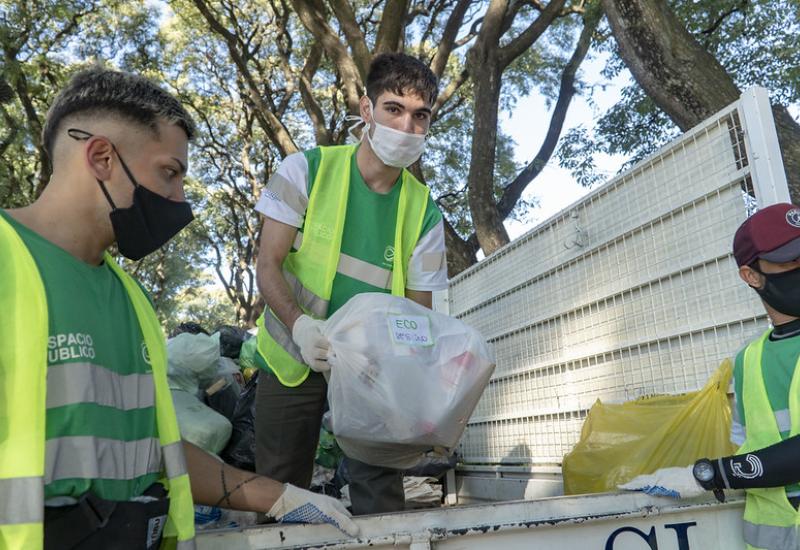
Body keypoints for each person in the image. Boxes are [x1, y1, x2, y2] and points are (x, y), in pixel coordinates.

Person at [0, 67, 357, 550]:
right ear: (102, 157)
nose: (179, 198)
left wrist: (281, 497)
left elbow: (154, 449)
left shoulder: (131, 300)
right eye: (169, 172)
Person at [253, 52, 448, 515]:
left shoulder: (425, 213)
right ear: (366, 109)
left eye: (420, 116)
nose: (407, 126)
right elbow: (267, 264)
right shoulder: (305, 170)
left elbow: (417, 316)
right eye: (393, 109)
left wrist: (414, 384)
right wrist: (301, 327)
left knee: (381, 498)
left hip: (372, 370)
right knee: (279, 495)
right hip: (292, 355)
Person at [620, 202, 800, 550]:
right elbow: (748, 444)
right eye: (789, 259)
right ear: (751, 276)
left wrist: (709, 474)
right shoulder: (748, 360)